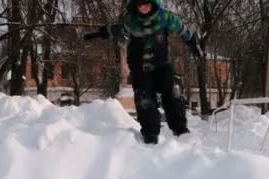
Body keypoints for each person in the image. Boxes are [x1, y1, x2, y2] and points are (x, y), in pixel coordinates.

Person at [84, 0, 203, 144]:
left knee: (172, 92)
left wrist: (193, 44)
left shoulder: (164, 17)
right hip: (139, 66)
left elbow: (182, 30)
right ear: (136, 6)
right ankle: (150, 134)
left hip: (161, 64)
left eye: (147, 4)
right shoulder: (131, 20)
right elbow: (120, 30)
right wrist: (101, 32)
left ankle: (180, 130)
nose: (144, 8)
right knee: (144, 99)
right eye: (141, 5)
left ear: (153, 3)